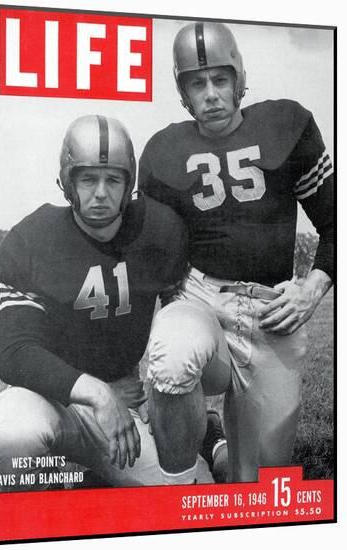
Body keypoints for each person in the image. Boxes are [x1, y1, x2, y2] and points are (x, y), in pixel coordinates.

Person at [139, 22, 334, 482]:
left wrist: (313, 287)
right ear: (183, 92)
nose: (210, 94)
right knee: (172, 355)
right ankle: (181, 489)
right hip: (202, 298)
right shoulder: (163, 152)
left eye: (220, 80)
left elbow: (335, 221)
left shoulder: (288, 125)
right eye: (197, 83)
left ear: (240, 79)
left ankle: (218, 444)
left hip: (272, 311)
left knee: (258, 487)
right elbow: (151, 256)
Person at [0, 114, 231, 491]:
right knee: (10, 437)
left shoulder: (158, 231)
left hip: (126, 406)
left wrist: (160, 403)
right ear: (67, 181)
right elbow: (15, 353)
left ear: (129, 183)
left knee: (186, 498)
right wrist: (100, 393)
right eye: (88, 178)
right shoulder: (31, 241)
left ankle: (206, 433)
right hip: (49, 400)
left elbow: (179, 317)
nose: (100, 192)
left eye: (112, 179)